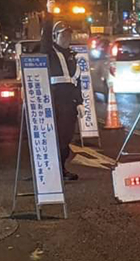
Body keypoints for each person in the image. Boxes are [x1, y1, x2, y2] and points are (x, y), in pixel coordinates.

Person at [41, 16, 82, 181]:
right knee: (55, 137)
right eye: (63, 35)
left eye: (68, 35)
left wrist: (80, 102)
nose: (66, 38)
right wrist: (49, 14)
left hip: (69, 103)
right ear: (55, 36)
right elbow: (44, 38)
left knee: (66, 137)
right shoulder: (49, 51)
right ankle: (52, 171)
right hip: (55, 101)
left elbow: (76, 81)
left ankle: (61, 169)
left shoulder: (72, 55)